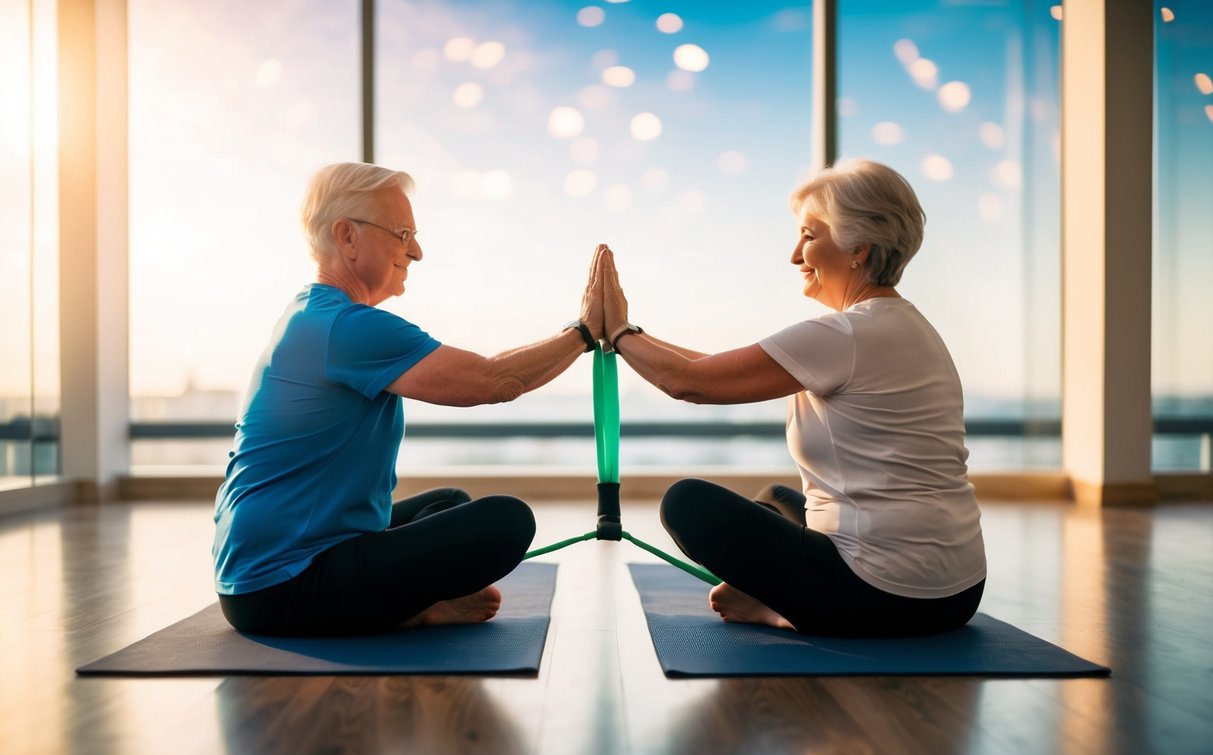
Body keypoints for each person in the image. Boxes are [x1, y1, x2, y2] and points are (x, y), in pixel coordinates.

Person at [212, 161, 607, 636]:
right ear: (348, 237)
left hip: (256, 574)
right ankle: (409, 608)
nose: (416, 251)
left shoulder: (310, 311)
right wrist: (585, 331)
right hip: (281, 589)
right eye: (402, 233)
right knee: (507, 521)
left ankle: (410, 601)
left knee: (448, 502)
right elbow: (493, 381)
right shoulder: (347, 328)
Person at [597, 158, 986, 637]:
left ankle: (783, 610)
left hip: (884, 593)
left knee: (686, 504)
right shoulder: (903, 325)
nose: (795, 255)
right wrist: (630, 334)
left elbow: (690, 383)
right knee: (778, 500)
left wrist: (615, 331)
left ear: (857, 248)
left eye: (809, 235)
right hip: (958, 591)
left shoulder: (846, 334)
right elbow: (711, 369)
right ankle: (778, 591)